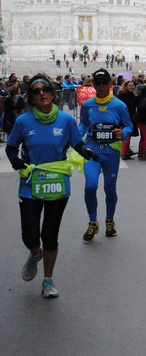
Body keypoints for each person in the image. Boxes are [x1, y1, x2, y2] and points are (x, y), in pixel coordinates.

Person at [5, 73, 97, 298]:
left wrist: (84, 151)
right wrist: (16, 161)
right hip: (31, 182)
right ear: (32, 98)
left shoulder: (65, 120)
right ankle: (34, 254)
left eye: (44, 89)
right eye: (36, 91)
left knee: (49, 235)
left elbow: (77, 142)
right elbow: (10, 147)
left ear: (52, 93)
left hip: (57, 182)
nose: (41, 93)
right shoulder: (23, 121)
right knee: (29, 235)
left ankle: (48, 280)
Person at [79, 68, 133, 242]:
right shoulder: (87, 105)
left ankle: (110, 220)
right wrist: (75, 138)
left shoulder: (119, 105)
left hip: (111, 152)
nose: (101, 86)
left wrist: (122, 133)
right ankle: (92, 222)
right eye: (97, 83)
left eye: (104, 83)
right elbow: (83, 124)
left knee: (109, 189)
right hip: (92, 150)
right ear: (93, 84)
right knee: (90, 186)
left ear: (110, 84)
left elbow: (128, 126)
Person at [116, 80, 139, 160]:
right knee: (126, 134)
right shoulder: (122, 95)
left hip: (131, 115)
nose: (132, 87)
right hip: (125, 116)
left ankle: (127, 151)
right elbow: (130, 104)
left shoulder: (131, 94)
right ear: (126, 86)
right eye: (130, 85)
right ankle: (124, 153)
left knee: (129, 134)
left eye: (133, 85)